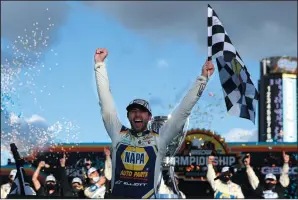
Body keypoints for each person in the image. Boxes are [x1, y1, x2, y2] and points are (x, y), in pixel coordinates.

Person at [93, 48, 214, 198]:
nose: (137, 114)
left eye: (142, 111)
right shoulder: (118, 133)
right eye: (133, 111)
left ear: (150, 117)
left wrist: (203, 78)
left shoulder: (159, 139)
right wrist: (99, 65)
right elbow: (106, 106)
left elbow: (183, 111)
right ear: (128, 116)